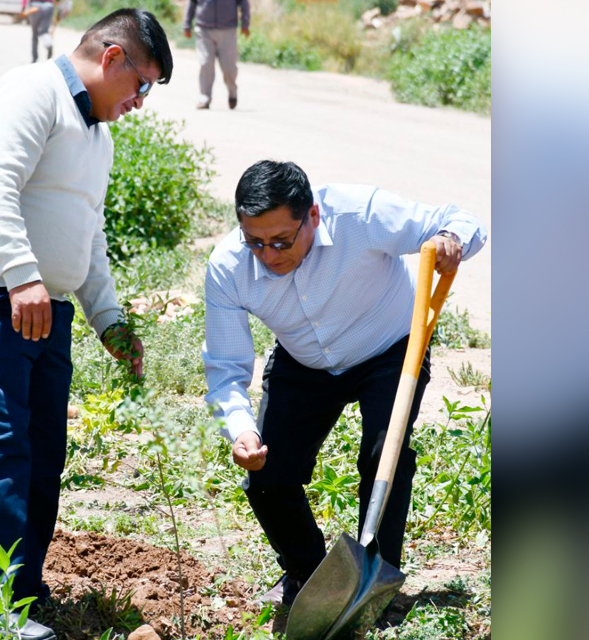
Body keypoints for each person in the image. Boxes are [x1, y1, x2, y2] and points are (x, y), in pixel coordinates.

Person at [0, 8, 172, 638]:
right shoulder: (29, 93)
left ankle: (19, 591)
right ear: (113, 58)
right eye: (141, 85)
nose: (140, 102)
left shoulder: (98, 134)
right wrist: (22, 274)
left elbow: (88, 235)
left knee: (40, 456)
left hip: (43, 310)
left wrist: (110, 320)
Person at [201, 160, 488, 607]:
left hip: (391, 348)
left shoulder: (359, 214)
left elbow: (459, 220)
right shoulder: (228, 267)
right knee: (267, 477)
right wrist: (240, 431)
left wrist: (451, 240)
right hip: (304, 361)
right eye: (255, 242)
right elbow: (224, 368)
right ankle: (314, 580)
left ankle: (375, 581)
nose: (270, 255)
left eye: (281, 240)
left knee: (383, 455)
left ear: (312, 216)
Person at [183, 0, 250, 109]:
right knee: (205, 63)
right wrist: (187, 24)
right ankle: (204, 97)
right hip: (203, 28)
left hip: (227, 29)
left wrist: (245, 23)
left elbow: (243, 3)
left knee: (229, 68)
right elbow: (192, 3)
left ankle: (232, 92)